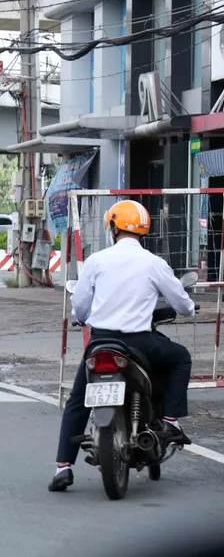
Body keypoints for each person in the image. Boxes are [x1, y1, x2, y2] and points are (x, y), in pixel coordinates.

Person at [49, 200, 196, 492]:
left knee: (78, 400)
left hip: (101, 341)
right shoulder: (154, 263)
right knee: (180, 358)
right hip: (140, 342)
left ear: (114, 227)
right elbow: (182, 303)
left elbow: (79, 305)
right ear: (142, 231)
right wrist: (191, 308)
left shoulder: (97, 261)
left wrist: (83, 318)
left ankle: (62, 468)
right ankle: (170, 421)